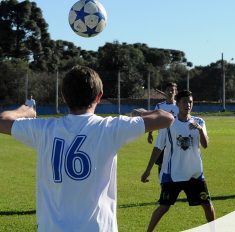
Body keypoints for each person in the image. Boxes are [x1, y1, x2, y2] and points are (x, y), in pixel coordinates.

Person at [0, 66, 174, 232]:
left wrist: (25, 111)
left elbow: (2, 120)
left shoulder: (45, 129)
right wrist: (139, 114)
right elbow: (166, 118)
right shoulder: (110, 127)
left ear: (63, 96)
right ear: (99, 97)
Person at [141, 90, 215, 232]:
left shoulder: (199, 122)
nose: (188, 105)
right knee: (163, 207)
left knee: (207, 204)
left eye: (190, 102)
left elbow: (205, 145)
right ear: (178, 104)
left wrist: (200, 130)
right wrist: (148, 170)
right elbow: (158, 147)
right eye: (185, 102)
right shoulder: (169, 123)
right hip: (173, 174)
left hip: (194, 173)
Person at [147, 82, 178, 174]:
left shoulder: (179, 106)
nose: (170, 92)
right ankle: (162, 182)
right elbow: (153, 121)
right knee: (161, 163)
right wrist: (150, 134)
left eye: (172, 90)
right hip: (162, 140)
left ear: (176, 92)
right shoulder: (159, 106)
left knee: (175, 163)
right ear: (165, 91)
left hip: (175, 139)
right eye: (168, 90)